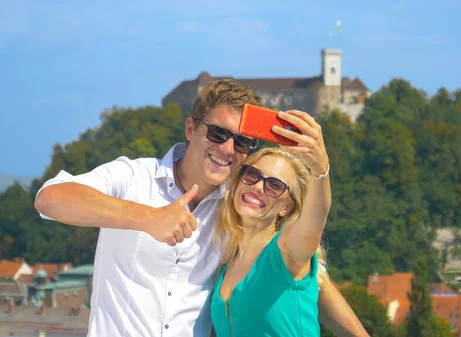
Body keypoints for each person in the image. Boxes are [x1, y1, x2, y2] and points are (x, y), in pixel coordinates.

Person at [34, 79, 368, 337]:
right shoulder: (135, 177)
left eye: (241, 142)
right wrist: (147, 217)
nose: (227, 149)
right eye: (218, 133)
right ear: (192, 128)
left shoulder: (240, 206)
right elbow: (50, 198)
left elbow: (310, 277)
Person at [209, 105, 332, 335]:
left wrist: (320, 169)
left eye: (274, 185)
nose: (257, 186)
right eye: (252, 175)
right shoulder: (226, 261)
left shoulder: (286, 250)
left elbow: (313, 223)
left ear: (287, 207)